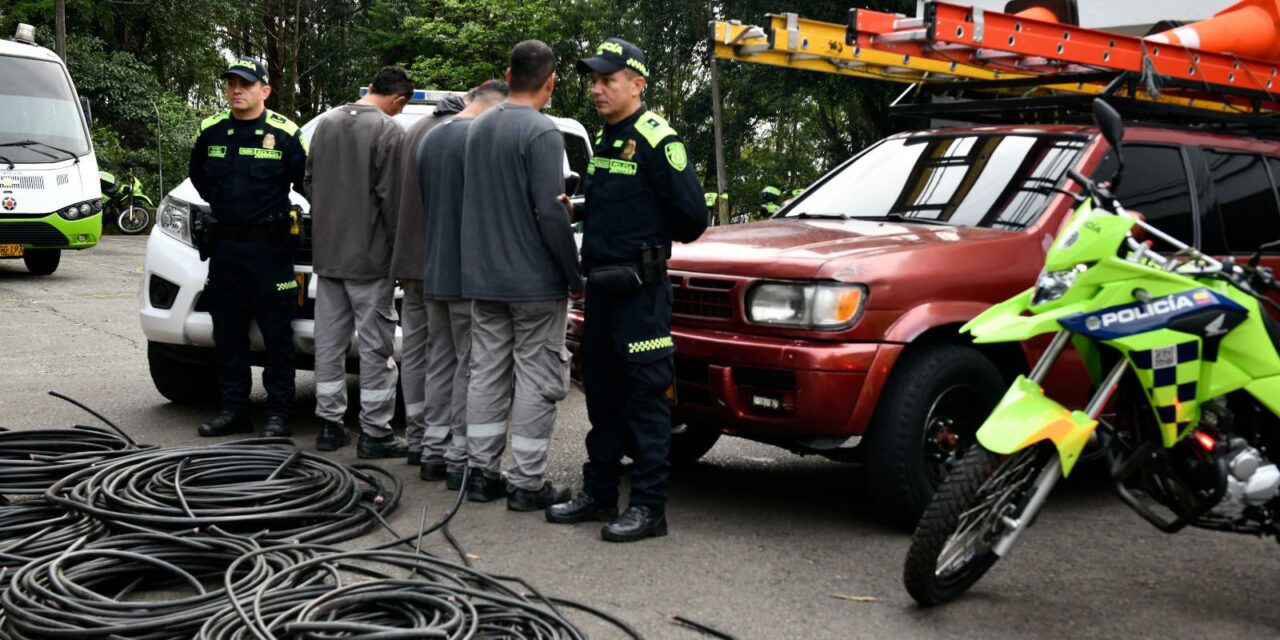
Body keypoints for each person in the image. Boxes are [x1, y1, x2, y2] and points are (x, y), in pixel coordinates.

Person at [546, 38, 707, 542]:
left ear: (636, 84)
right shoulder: (610, 139)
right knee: (603, 396)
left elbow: (693, 218)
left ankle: (650, 508)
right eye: (593, 81)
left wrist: (647, 241)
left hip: (641, 295)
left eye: (607, 80)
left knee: (645, 400)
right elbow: (614, 198)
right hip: (603, 294)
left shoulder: (659, 139)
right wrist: (579, 208)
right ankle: (598, 494)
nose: (597, 89)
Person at [459, 40, 581, 511]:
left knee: (486, 373)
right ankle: (527, 483)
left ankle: (481, 473)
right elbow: (550, 215)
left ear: (508, 74)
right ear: (550, 81)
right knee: (535, 376)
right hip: (534, 282)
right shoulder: (542, 133)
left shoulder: (478, 127)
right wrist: (574, 274)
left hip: (484, 279)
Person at [189, 57, 307, 439]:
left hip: (270, 251)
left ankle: (278, 415)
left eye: (245, 83)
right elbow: (199, 177)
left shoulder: (285, 133)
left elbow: (308, 184)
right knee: (228, 333)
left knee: (277, 336)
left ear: (265, 90)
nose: (236, 89)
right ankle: (234, 410)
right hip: (225, 247)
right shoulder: (211, 130)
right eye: (231, 83)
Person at [306, 66, 413, 457]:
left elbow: (309, 182)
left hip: (328, 258)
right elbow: (394, 202)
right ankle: (375, 434)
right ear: (399, 99)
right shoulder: (388, 132)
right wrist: (400, 258)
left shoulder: (325, 124)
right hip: (370, 262)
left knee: (328, 345)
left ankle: (329, 426)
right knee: (376, 351)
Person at [416, 80, 509, 486]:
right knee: (472, 367)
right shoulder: (480, 138)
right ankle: (459, 457)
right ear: (495, 107)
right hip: (470, 273)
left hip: (434, 268)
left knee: (440, 360)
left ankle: (432, 452)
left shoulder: (431, 138)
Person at [392, 91, 468, 467]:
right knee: (448, 355)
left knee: (416, 351)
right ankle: (443, 439)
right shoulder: (461, 136)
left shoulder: (413, 129)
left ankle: (417, 436)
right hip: (443, 263)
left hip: (409, 262)